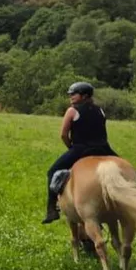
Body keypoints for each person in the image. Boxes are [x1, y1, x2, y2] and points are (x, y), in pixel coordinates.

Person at [42, 81, 118, 224]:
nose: (70, 96)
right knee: (131, 170)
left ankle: (51, 209)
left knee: (52, 172)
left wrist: (71, 147)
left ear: (84, 96)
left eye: (74, 94)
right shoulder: (100, 110)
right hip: (103, 148)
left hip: (81, 148)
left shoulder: (72, 111)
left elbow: (64, 135)